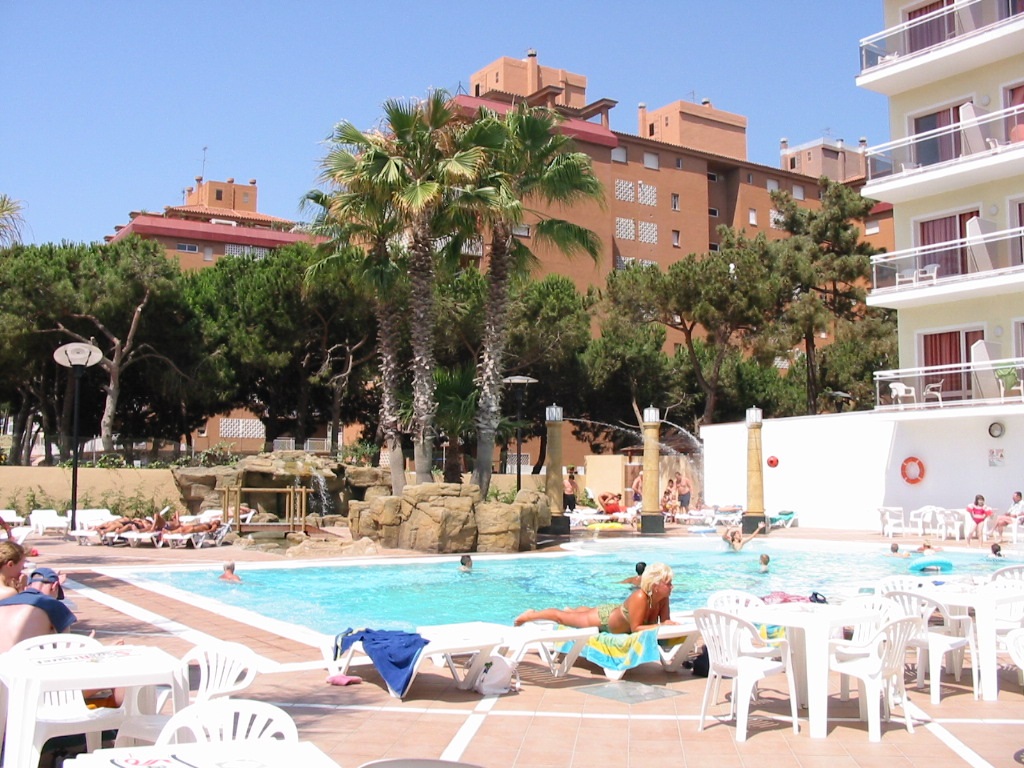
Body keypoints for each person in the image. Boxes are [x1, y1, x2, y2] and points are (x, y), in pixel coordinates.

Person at [514, 562, 677, 633]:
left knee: (580, 613)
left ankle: (572, 610)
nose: (672, 587)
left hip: (616, 612)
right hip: (604, 620)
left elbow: (666, 623)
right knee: (561, 618)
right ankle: (530, 615)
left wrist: (666, 625)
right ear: (655, 585)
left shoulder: (663, 598)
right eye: (668, 583)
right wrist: (662, 625)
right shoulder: (640, 597)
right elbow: (636, 628)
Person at [0, 567, 76, 653]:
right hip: (27, 658)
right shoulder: (53, 604)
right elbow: (66, 645)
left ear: (27, 587)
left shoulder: (3, 602)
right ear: (54, 587)